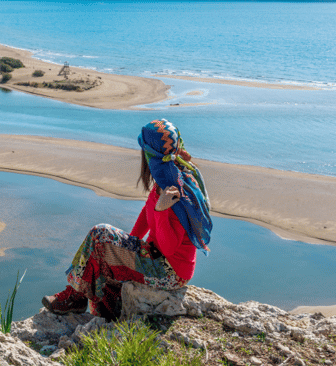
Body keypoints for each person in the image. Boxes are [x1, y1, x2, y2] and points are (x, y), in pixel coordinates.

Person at [42, 118, 212, 320]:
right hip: (159, 258)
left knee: (100, 233)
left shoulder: (175, 191)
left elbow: (169, 248)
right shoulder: (167, 175)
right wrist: (125, 246)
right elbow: (146, 213)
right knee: (103, 247)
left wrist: (161, 210)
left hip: (171, 272)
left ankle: (76, 297)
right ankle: (98, 307)